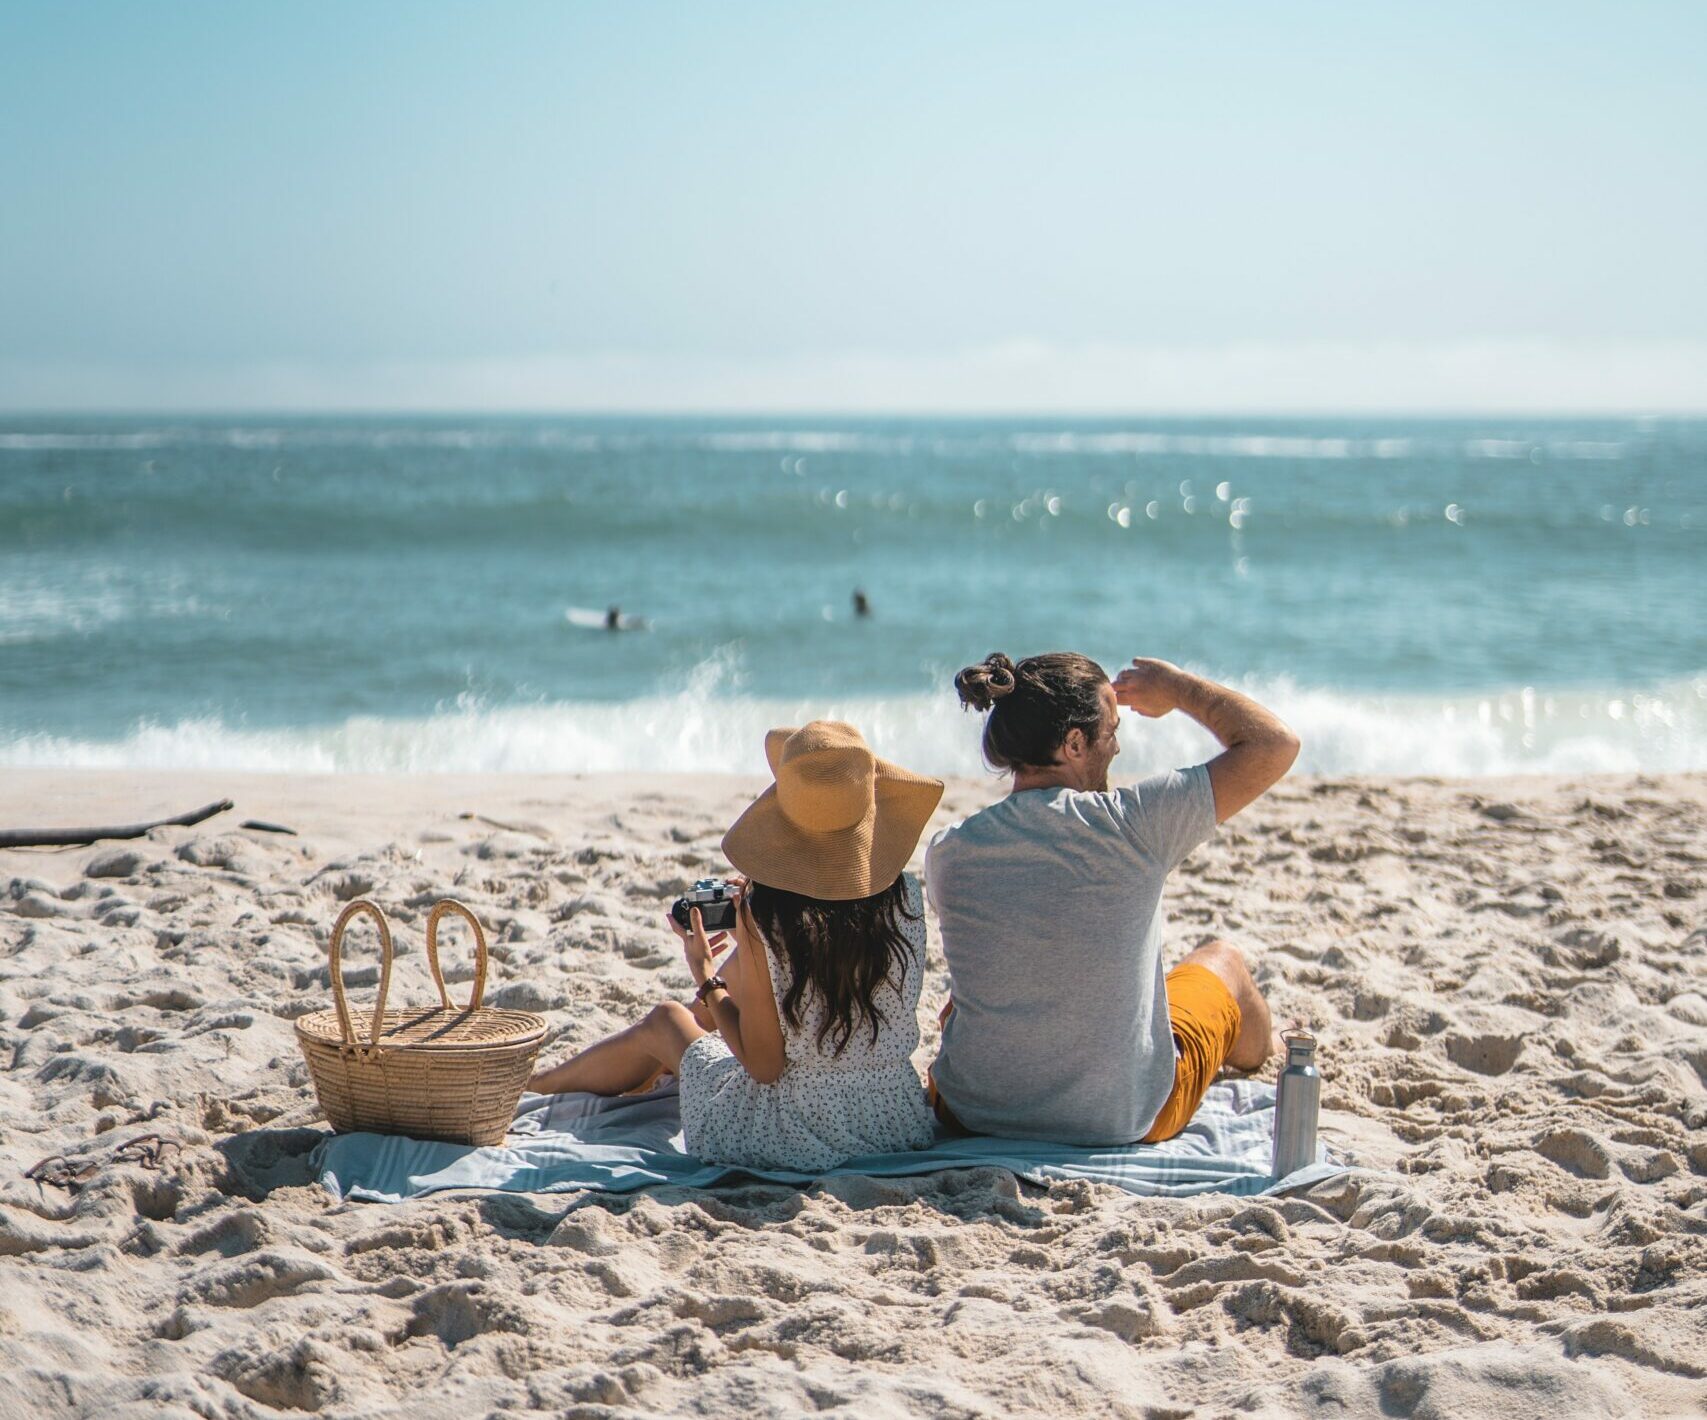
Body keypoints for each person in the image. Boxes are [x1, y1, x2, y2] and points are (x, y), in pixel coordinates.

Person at [528, 721, 944, 1171]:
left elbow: (764, 1068)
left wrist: (707, 974)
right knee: (713, 1010)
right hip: (893, 1120)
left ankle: (539, 1086)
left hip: (796, 1134)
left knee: (668, 1020)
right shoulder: (905, 895)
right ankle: (594, 1079)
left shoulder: (769, 915)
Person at [925, 652, 1299, 1146]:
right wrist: (1179, 687)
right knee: (1223, 961)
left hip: (970, 1111)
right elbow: (1275, 744)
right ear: (1075, 743)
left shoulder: (949, 851)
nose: (1117, 747)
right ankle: (1262, 1050)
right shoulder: (1133, 825)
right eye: (1110, 730)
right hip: (1119, 1119)